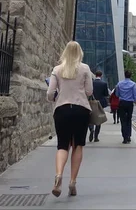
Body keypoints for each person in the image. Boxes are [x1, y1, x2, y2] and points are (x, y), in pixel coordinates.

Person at [46, 41, 93, 198]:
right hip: (81, 110)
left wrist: (57, 98)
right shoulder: (85, 68)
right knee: (78, 145)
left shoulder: (57, 69)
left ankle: (58, 176)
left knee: (62, 145)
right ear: (80, 52)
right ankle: (72, 182)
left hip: (62, 110)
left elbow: (50, 93)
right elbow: (89, 91)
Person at [115, 70, 136, 144]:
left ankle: (124, 137)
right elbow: (135, 96)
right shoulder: (133, 84)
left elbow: (117, 94)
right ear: (130, 76)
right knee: (129, 120)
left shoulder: (119, 84)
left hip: (122, 103)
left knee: (123, 120)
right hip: (129, 104)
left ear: (124, 75)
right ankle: (128, 136)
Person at [89, 70, 109, 143]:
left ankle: (91, 129)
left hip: (91, 102)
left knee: (90, 117)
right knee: (99, 118)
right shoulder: (104, 83)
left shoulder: (92, 83)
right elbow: (106, 94)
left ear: (95, 75)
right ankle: (96, 137)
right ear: (101, 75)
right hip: (100, 103)